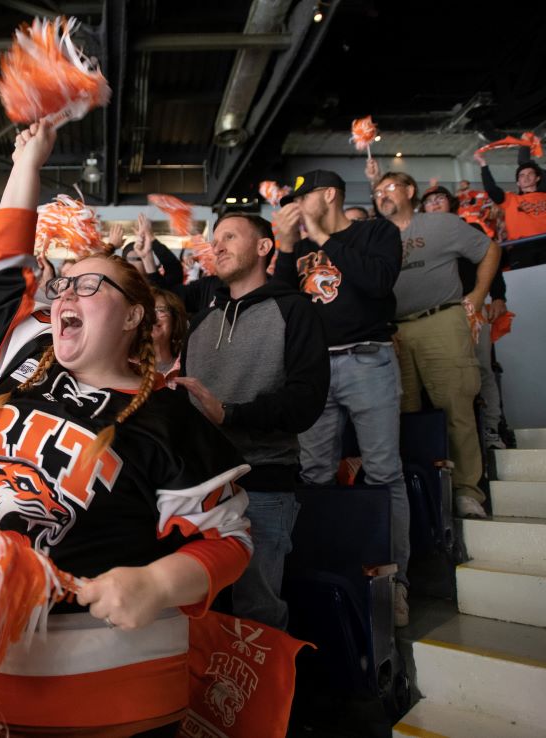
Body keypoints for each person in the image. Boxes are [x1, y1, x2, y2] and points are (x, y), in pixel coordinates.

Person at [0, 119, 252, 735]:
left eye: (90, 286)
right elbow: (3, 262)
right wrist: (27, 161)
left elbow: (232, 540)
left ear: (136, 314)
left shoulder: (168, 414)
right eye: (63, 285)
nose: (65, 296)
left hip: (101, 690)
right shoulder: (23, 353)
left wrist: (160, 582)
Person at [173, 212, 329, 631]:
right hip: (200, 491)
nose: (217, 246)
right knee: (200, 607)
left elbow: (306, 402)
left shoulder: (294, 311)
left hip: (263, 484)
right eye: (214, 238)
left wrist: (230, 414)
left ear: (264, 247)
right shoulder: (202, 321)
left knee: (256, 610)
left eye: (229, 236)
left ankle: (262, 695)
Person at [271, 170, 409, 625]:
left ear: (328, 195)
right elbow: (284, 305)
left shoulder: (375, 231)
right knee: (313, 474)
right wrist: (289, 247)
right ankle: (325, 570)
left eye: (302, 194)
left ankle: (396, 582)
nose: (296, 202)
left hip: (368, 358)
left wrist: (324, 238)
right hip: (317, 369)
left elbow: (378, 282)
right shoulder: (302, 246)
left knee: (384, 471)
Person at [373, 171, 501, 520]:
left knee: (455, 407)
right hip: (395, 331)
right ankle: (422, 494)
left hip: (441, 319)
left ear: (410, 190)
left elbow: (490, 249)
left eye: (389, 188)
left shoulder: (440, 223)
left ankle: (467, 491)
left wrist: (477, 294)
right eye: (377, 191)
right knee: (404, 415)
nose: (382, 195)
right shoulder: (374, 236)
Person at [422, 184, 510, 449]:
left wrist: (498, 296)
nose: (435, 204)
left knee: (482, 367)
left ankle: (491, 428)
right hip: (434, 315)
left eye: (440, 199)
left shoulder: (469, 229)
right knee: (443, 373)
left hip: (472, 310)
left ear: (451, 203)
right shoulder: (419, 237)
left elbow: (491, 262)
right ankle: (448, 436)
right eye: (429, 201)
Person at [475, 154, 546, 268]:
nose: (526, 177)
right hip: (521, 247)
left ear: (537, 178)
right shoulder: (510, 199)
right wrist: (483, 164)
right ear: (518, 182)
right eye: (521, 175)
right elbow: (491, 189)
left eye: (530, 174)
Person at [151, 287, 188, 381]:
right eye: (147, 311)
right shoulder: (126, 367)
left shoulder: (189, 365)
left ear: (175, 320)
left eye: (161, 310)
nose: (153, 317)